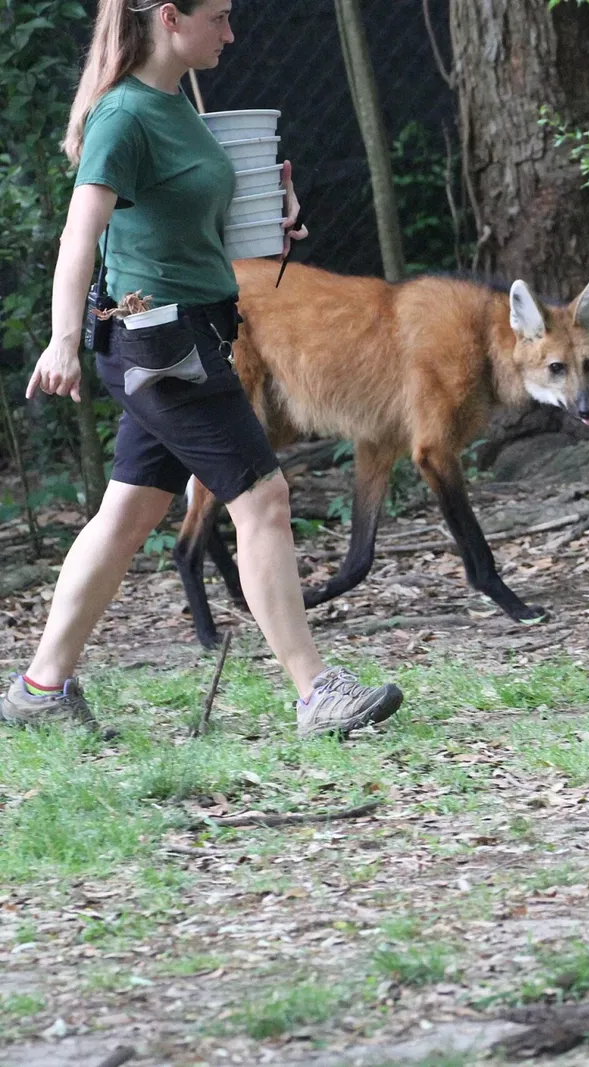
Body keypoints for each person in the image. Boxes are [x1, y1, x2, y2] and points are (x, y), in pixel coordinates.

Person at [2, 0, 403, 739]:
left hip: (194, 329)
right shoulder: (123, 118)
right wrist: (62, 341)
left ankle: (39, 687)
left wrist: (272, 215)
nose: (231, 32)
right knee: (265, 497)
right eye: (217, 17)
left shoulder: (178, 101)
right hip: (161, 343)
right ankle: (316, 692)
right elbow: (79, 237)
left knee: (128, 513)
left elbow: (187, 217)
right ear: (167, 18)